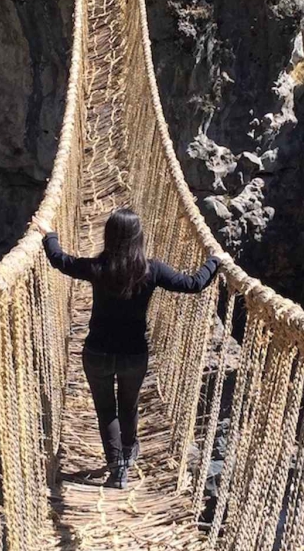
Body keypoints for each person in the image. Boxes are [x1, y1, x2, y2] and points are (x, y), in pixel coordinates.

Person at [40, 208, 222, 489]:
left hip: (97, 352)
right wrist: (214, 261)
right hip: (134, 354)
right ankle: (128, 451)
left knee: (106, 410)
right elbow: (194, 284)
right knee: (129, 405)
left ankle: (117, 469)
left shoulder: (97, 267)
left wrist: (48, 234)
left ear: (109, 236)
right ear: (139, 237)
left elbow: (60, 260)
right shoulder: (152, 270)